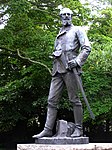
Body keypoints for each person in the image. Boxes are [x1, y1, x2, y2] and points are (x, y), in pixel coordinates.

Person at [33, 7, 91, 138]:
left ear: (71, 16)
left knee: (74, 99)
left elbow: (87, 48)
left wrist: (77, 61)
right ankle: (48, 129)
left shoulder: (78, 30)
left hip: (71, 68)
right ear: (60, 17)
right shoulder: (60, 32)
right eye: (63, 14)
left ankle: (79, 129)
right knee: (51, 100)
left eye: (68, 14)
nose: (66, 16)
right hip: (57, 69)